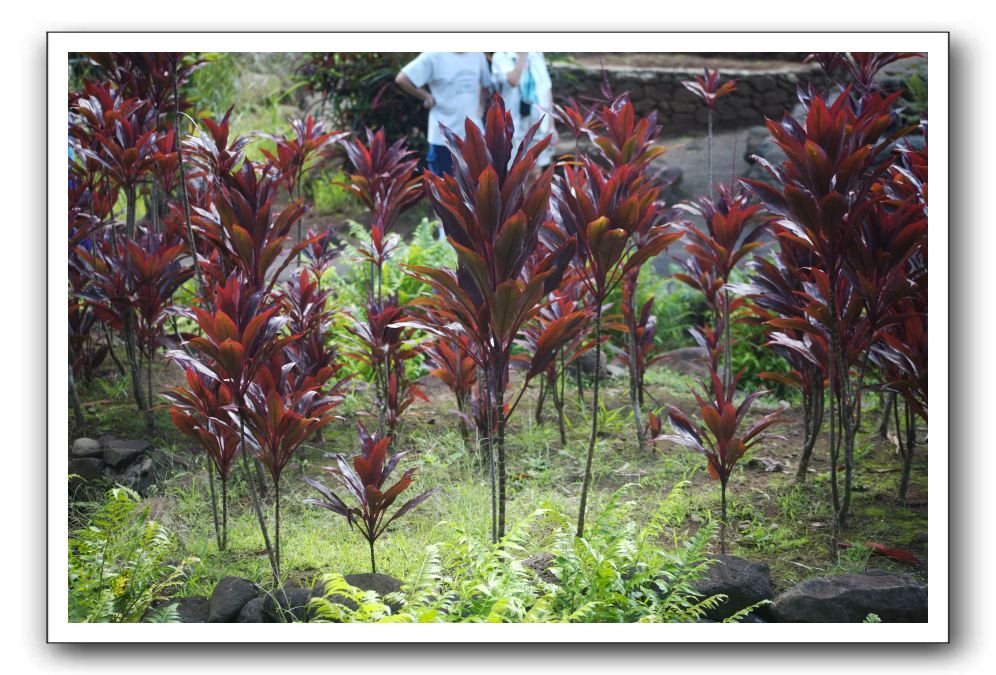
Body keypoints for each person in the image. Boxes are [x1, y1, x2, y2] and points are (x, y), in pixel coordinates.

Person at [395, 52, 493, 177]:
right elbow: (402, 78)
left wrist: (481, 107)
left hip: (474, 137)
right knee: (446, 191)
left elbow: (485, 84)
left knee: (477, 189)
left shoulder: (477, 54)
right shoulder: (433, 55)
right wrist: (426, 96)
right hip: (443, 141)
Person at [491, 51, 557, 169]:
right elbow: (513, 81)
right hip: (514, 125)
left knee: (536, 170)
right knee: (513, 172)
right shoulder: (501, 56)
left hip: (539, 119)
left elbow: (546, 88)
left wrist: (552, 126)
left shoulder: (536, 55)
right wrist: (522, 56)